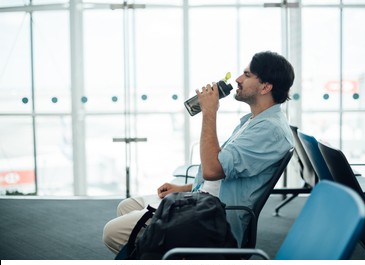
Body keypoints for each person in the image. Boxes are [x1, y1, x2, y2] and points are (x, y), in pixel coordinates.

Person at [103, 51, 295, 254]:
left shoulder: (269, 131)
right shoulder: (254, 121)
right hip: (202, 199)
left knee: (112, 232)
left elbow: (213, 170)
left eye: (247, 75)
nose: (238, 79)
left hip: (213, 219)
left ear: (266, 87)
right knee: (127, 206)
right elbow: (223, 174)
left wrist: (209, 112)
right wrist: (185, 188)